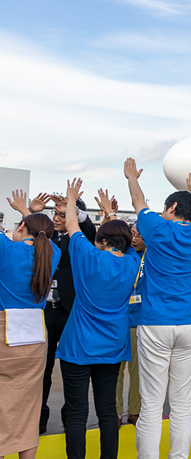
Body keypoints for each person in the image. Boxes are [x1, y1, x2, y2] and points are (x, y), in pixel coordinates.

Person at [124, 159, 191, 459]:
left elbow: (137, 201)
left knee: (150, 404)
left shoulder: (158, 229)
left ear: (172, 208)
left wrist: (132, 177)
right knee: (181, 402)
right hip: (189, 325)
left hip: (155, 323)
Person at [57, 178, 139, 459]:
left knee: (77, 413)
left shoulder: (88, 256)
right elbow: (125, 242)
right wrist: (110, 213)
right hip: (113, 346)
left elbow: (71, 226)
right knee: (107, 412)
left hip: (78, 346)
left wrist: (70, 199)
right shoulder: (131, 262)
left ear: (102, 240)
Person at [14, 190, 98, 435]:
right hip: (45, 313)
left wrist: (73, 209)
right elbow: (34, 231)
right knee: (43, 370)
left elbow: (88, 231)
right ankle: (38, 419)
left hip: (70, 312)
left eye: (63, 214)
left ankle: (69, 420)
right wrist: (33, 212)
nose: (58, 218)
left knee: (72, 368)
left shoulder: (79, 238)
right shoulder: (44, 239)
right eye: (55, 214)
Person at [0, 195, 60, 459]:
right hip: (36, 338)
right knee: (29, 404)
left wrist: (25, 211)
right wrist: (28, 213)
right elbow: (40, 234)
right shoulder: (52, 253)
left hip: (4, 333)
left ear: (22, 227)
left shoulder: (6, 249)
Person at [117, 222, 145, 426]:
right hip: (118, 320)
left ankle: (134, 410)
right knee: (115, 369)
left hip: (139, 320)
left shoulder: (152, 257)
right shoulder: (121, 256)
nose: (134, 239)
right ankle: (115, 411)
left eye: (138, 235)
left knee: (137, 370)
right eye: (132, 234)